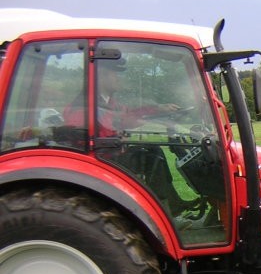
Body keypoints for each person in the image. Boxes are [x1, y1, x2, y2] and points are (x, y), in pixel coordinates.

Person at [63, 58, 195, 216]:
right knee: (153, 159)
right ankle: (167, 210)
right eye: (115, 74)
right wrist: (116, 139)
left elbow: (128, 116)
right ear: (102, 76)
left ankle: (172, 203)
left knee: (154, 151)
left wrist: (159, 109)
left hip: (111, 154)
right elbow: (79, 136)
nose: (119, 79)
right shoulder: (84, 105)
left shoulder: (108, 102)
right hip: (103, 160)